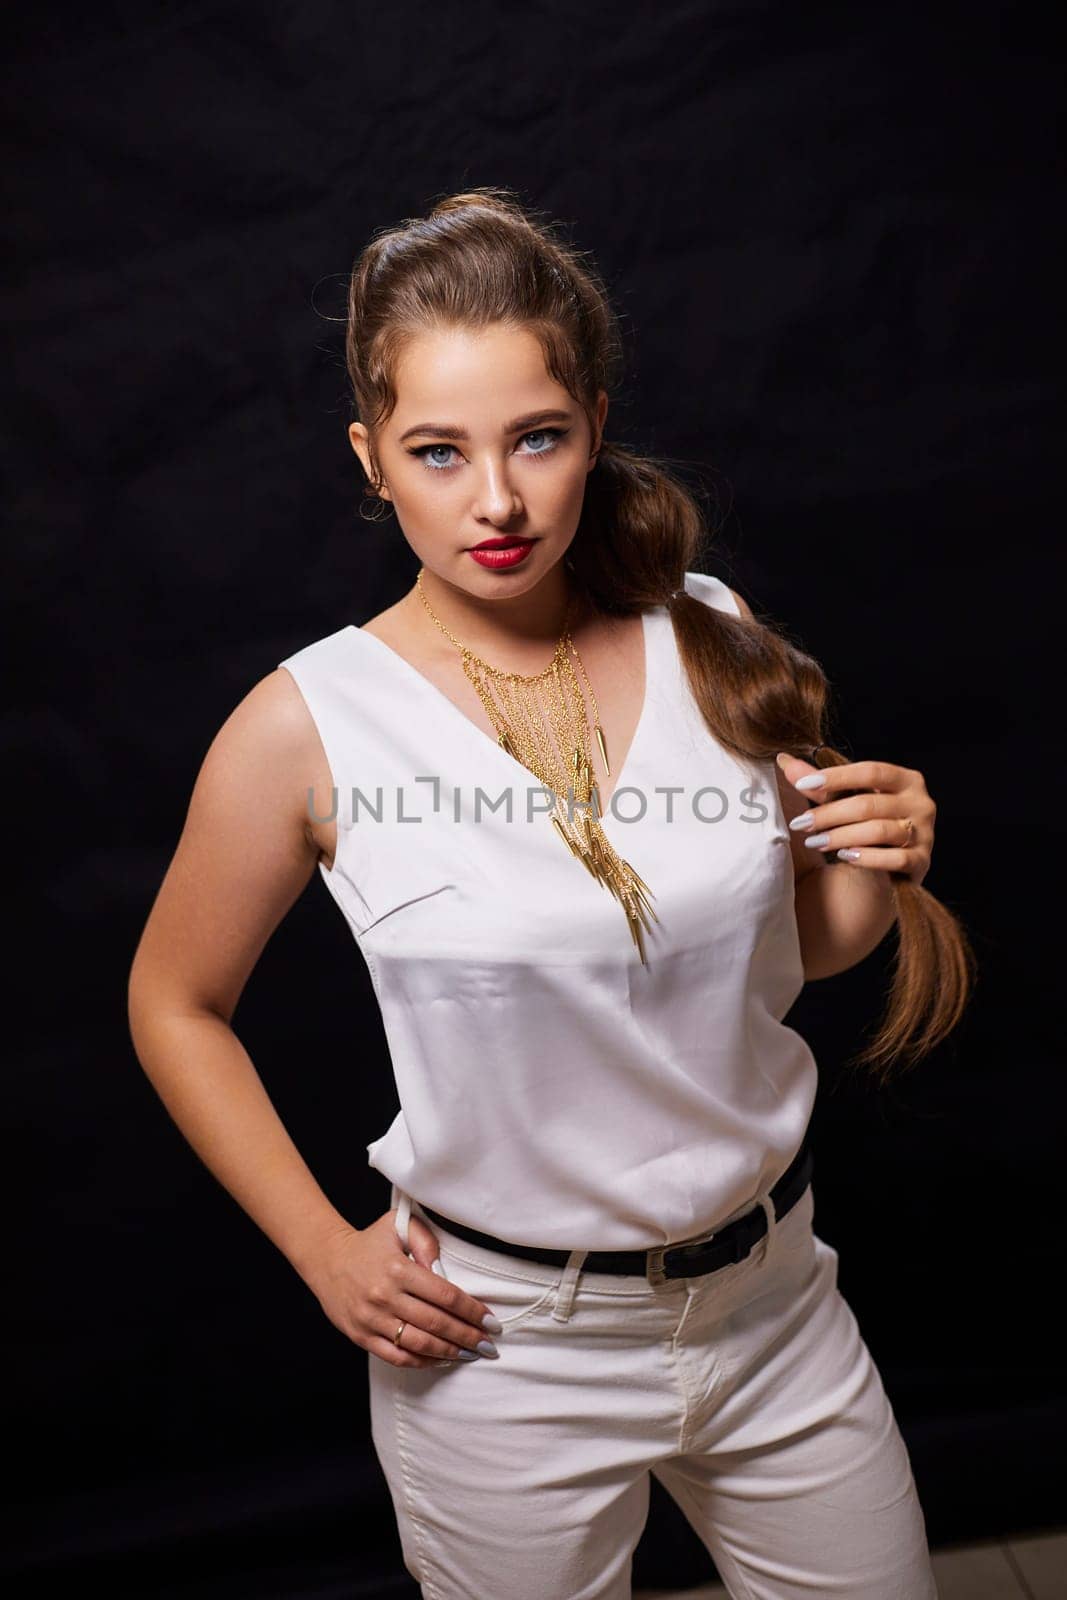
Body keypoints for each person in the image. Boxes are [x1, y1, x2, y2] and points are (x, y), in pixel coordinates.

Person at [127, 187, 975, 1600]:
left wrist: (880, 859)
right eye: (437, 453)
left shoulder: (710, 628)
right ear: (371, 459)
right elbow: (175, 1001)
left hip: (774, 1305)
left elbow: (808, 959)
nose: (498, 501)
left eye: (537, 438)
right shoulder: (309, 724)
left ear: (592, 419)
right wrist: (325, 1256)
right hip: (503, 1347)